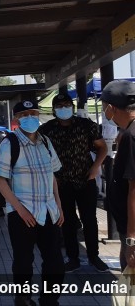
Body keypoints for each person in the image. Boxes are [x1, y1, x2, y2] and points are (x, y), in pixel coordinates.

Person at [0, 100, 64, 306]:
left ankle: (49, 300)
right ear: (17, 119)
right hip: (22, 213)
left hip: (49, 211)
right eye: (25, 115)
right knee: (23, 262)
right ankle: (23, 299)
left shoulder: (46, 142)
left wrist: (58, 205)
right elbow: (0, 179)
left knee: (55, 263)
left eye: (33, 113)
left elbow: (52, 175)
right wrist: (19, 209)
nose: (30, 117)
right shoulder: (9, 144)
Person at [38, 92, 109, 273]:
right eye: (60, 106)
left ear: (73, 106)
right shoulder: (46, 129)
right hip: (61, 183)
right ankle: (73, 257)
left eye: (67, 105)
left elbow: (103, 148)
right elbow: (40, 154)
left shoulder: (87, 126)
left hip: (85, 179)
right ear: (54, 110)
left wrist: (95, 168)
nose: (64, 108)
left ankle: (94, 255)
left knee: (89, 219)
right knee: (67, 221)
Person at [101, 80, 135, 271]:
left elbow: (134, 189)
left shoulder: (131, 135)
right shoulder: (127, 132)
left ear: (112, 108)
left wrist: (131, 239)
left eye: (104, 107)